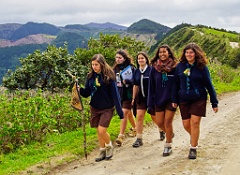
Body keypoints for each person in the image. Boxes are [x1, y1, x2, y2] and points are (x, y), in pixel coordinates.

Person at [172, 42, 218, 159]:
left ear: (196, 53)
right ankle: (195, 137)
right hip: (183, 99)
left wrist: (214, 102)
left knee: (195, 123)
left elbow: (209, 85)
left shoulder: (202, 67)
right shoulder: (180, 66)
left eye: (191, 52)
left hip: (199, 98)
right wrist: (174, 99)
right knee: (186, 124)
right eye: (187, 52)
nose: (189, 54)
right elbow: (175, 84)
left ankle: (193, 147)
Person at [79, 54, 124, 162]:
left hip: (107, 107)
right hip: (95, 107)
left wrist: (120, 111)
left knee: (102, 130)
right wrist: (78, 89)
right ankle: (102, 150)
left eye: (96, 64)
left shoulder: (109, 76)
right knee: (98, 131)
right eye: (93, 64)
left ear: (102, 64)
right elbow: (86, 93)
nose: (94, 67)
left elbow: (115, 95)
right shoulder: (90, 77)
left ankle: (109, 146)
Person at [148, 44, 178, 156]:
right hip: (158, 99)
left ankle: (168, 145)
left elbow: (177, 84)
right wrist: (150, 102)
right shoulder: (154, 68)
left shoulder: (175, 67)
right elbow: (151, 86)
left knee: (167, 122)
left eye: (164, 52)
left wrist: (176, 99)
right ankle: (169, 133)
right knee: (160, 123)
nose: (162, 54)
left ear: (169, 53)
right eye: (160, 52)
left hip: (171, 99)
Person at [131, 52, 164, 148]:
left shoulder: (151, 70)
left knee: (154, 117)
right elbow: (135, 85)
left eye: (142, 58)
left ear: (146, 59)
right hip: (140, 98)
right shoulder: (136, 71)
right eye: (139, 58)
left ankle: (161, 130)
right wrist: (133, 98)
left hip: (151, 97)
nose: (140, 60)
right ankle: (139, 138)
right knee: (140, 116)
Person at [113, 49, 136, 146]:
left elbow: (136, 81)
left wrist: (128, 82)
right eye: (116, 57)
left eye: (120, 58)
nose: (117, 59)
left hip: (130, 94)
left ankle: (121, 136)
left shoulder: (131, 68)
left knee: (124, 113)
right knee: (128, 113)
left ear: (124, 58)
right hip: (120, 94)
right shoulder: (115, 69)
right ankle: (136, 128)